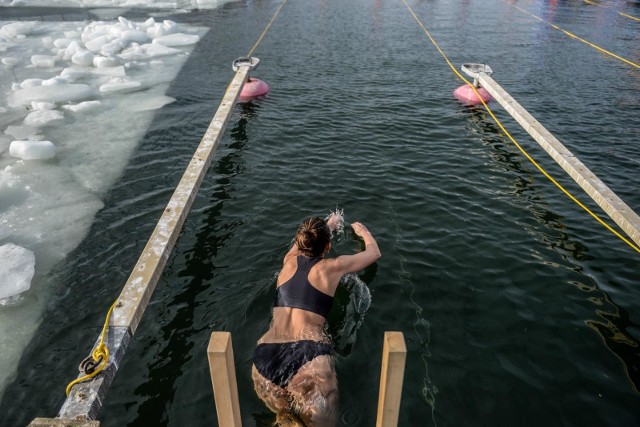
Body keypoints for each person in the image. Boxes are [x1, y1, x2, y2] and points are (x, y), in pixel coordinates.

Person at [252, 214, 381, 426]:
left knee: (285, 419)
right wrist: (363, 232)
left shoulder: (289, 260)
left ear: (302, 241)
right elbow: (374, 253)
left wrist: (327, 225)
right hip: (310, 357)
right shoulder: (333, 267)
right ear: (328, 247)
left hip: (266, 358)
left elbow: (299, 243)